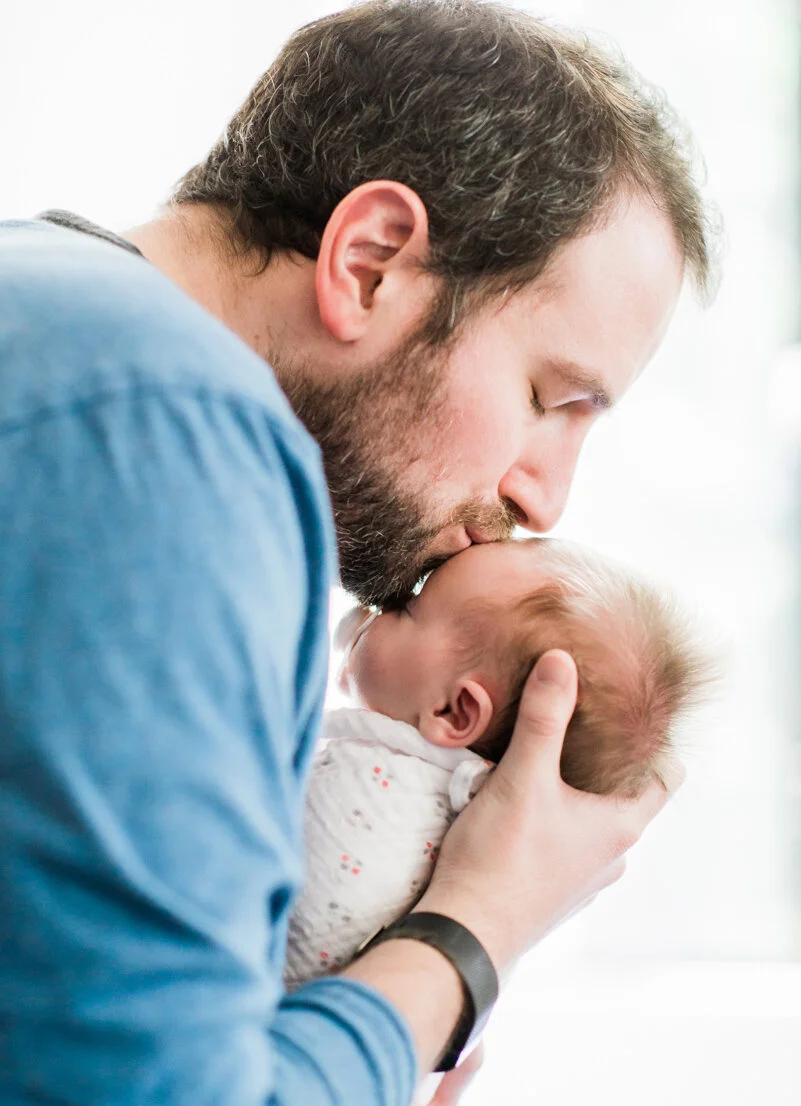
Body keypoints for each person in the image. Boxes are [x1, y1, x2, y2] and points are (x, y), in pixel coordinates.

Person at [0, 2, 716, 1104]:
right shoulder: (177, 433)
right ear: (373, 262)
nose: (545, 494)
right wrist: (473, 930)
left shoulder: (45, 318)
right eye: (549, 398)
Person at [285, 537, 709, 993]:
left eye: (410, 607)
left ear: (454, 712)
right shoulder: (477, 835)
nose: (379, 605)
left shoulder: (368, 775)